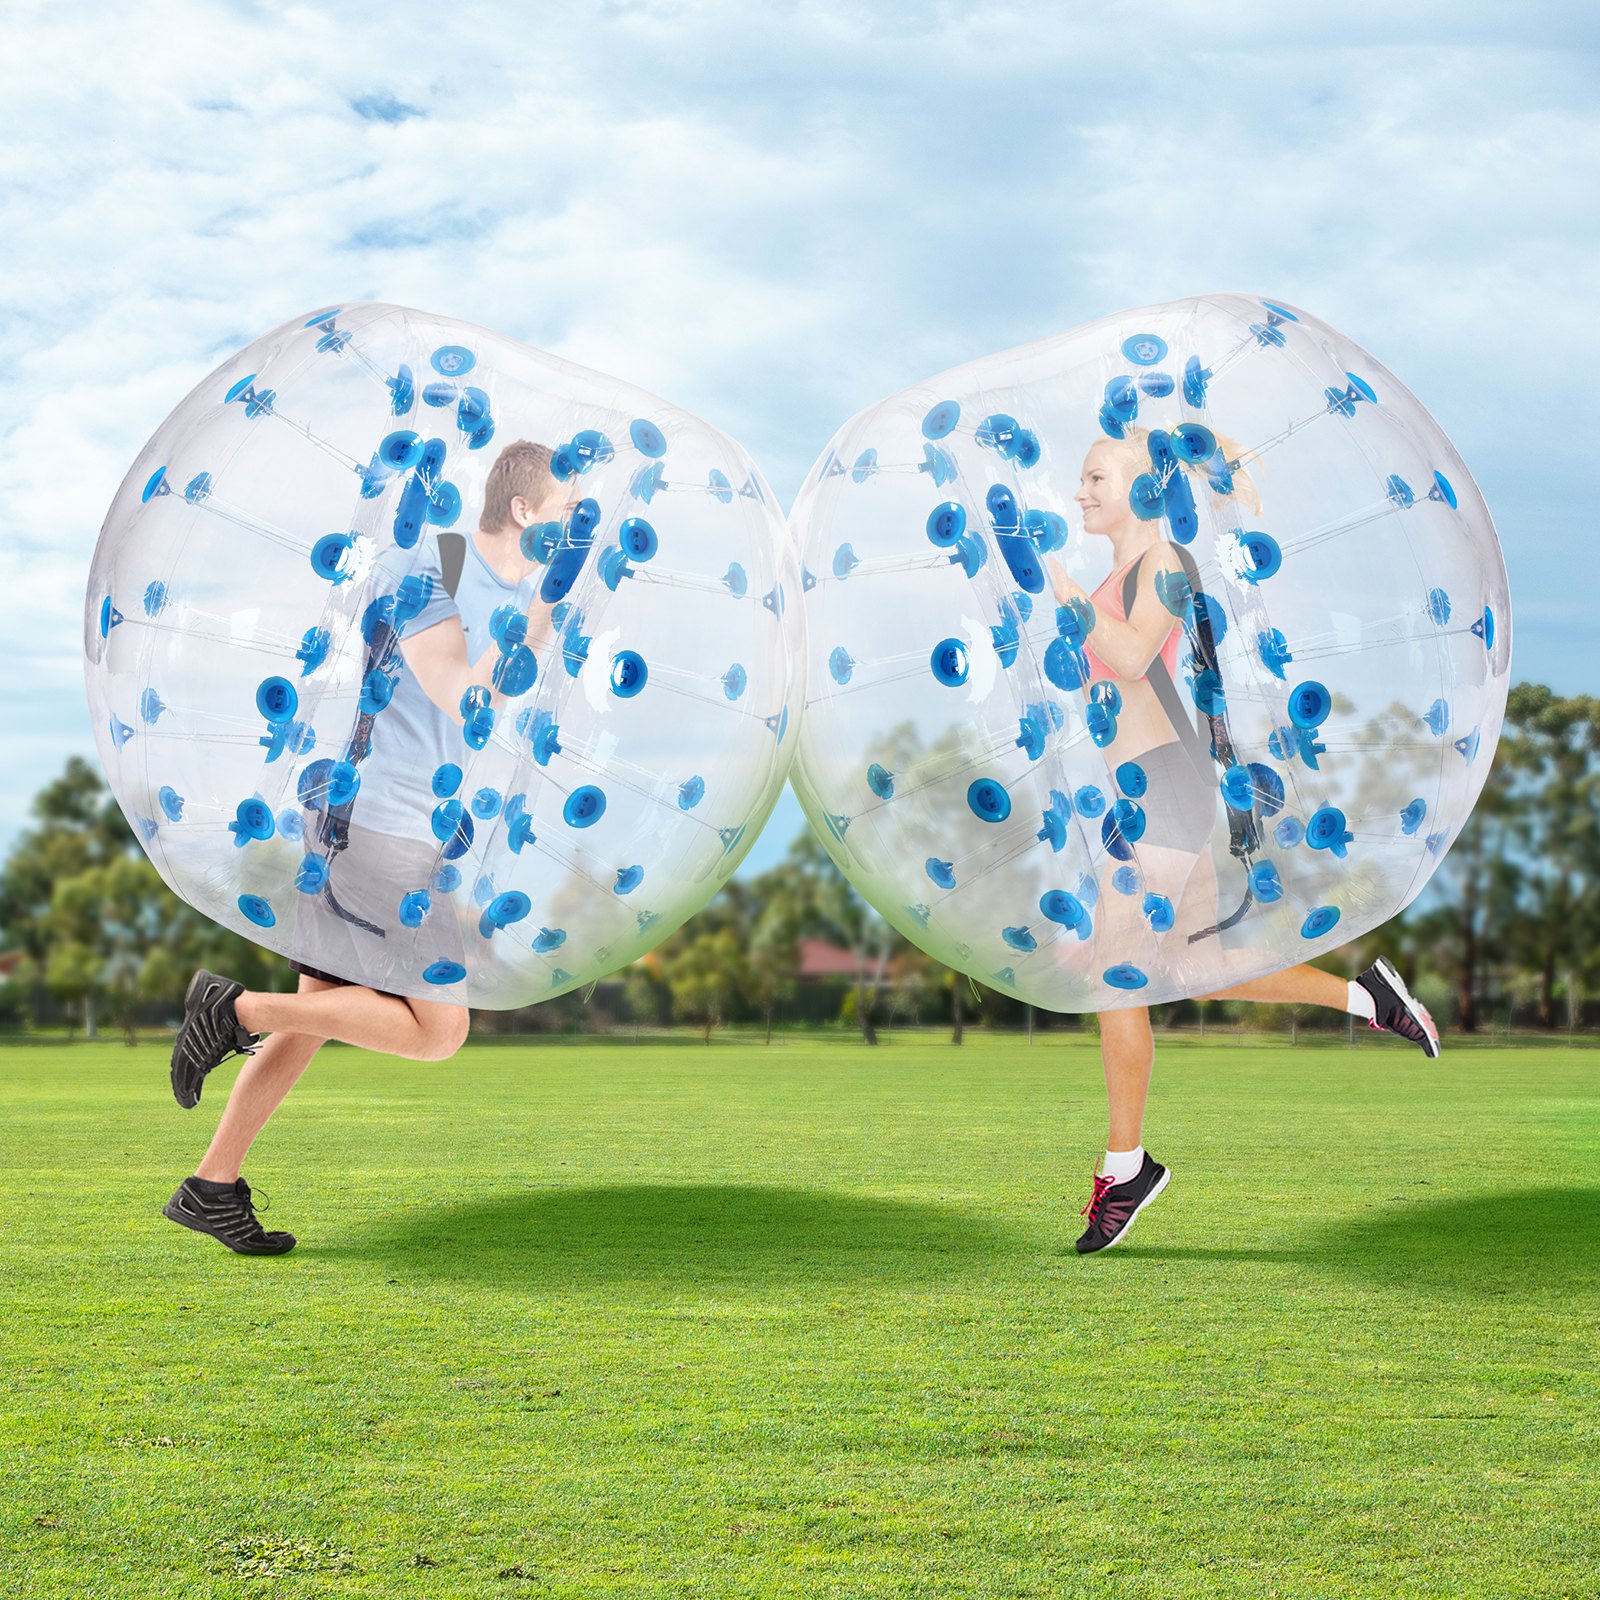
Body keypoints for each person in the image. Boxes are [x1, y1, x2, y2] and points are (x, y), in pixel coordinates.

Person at [163, 440, 567, 1255]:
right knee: (438, 1031)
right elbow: (461, 693)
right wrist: (535, 613)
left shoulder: (509, 586)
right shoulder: (430, 570)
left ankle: (210, 1187)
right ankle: (233, 1009)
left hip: (389, 825)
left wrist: (548, 602)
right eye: (566, 511)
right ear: (524, 511)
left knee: (315, 1020)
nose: (574, 526)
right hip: (377, 826)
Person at [1047, 430, 1439, 1255]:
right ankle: (1370, 999)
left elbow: (1125, 653)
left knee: (1118, 970)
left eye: (1094, 477)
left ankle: (1125, 1170)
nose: (1079, 492)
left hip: (1167, 784)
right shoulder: (1113, 575)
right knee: (1186, 967)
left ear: (1143, 488)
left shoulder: (1165, 564)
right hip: (1141, 791)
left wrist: (1049, 579)